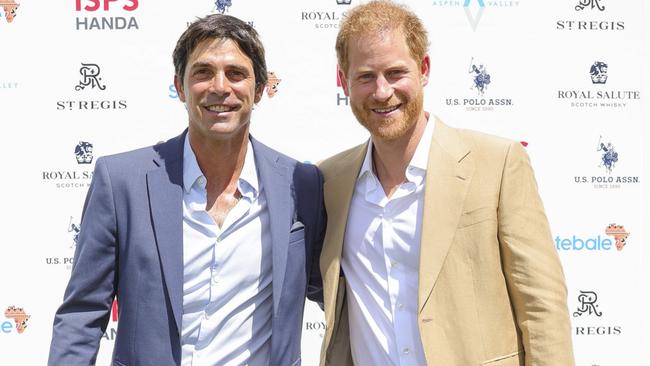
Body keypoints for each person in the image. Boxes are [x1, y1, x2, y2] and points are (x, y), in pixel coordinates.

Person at [48, 14, 324, 366]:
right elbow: (82, 315)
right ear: (179, 86)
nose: (220, 87)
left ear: (259, 90)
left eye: (236, 74)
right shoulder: (121, 183)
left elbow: (340, 294)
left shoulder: (301, 184)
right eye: (203, 72)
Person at [318, 1, 574, 365]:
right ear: (343, 80)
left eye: (395, 73)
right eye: (365, 76)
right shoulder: (330, 181)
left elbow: (542, 305)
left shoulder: (497, 164)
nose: (381, 91)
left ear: (423, 69)